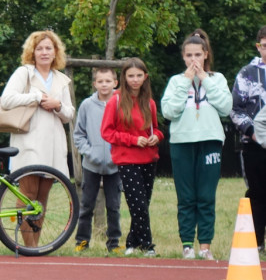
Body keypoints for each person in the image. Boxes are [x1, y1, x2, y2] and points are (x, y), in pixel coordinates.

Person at [161, 29, 232, 260]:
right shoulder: (176, 81)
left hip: (210, 140)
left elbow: (226, 107)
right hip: (182, 142)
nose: (193, 60)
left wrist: (204, 80)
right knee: (186, 196)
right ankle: (187, 245)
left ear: (205, 55)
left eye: (197, 55)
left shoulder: (217, 78)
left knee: (206, 195)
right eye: (189, 55)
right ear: (183, 57)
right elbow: (169, 111)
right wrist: (186, 82)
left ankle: (205, 246)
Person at [0, 30, 75, 247]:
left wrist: (57, 105)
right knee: (28, 195)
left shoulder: (62, 79)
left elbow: (69, 114)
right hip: (29, 143)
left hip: (53, 145)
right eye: (39, 48)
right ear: (32, 52)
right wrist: (36, 96)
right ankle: (27, 246)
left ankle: (37, 246)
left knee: (42, 200)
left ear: (55, 52)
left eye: (48, 48)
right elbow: (7, 99)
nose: (44, 52)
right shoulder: (25, 73)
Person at [101, 58, 163, 256]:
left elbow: (156, 129)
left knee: (142, 205)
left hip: (148, 158)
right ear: (124, 78)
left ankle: (131, 243)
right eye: (131, 76)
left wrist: (156, 137)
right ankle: (147, 246)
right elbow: (106, 132)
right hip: (127, 159)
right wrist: (133, 140)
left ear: (145, 77)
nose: (135, 80)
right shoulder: (115, 101)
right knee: (138, 204)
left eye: (139, 76)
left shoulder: (150, 103)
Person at [72, 67, 122, 253]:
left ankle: (114, 243)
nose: (104, 85)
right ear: (94, 84)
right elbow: (79, 135)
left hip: (115, 165)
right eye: (100, 81)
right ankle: (82, 242)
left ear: (115, 83)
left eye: (108, 81)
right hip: (91, 165)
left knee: (114, 206)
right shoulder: (87, 105)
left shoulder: (121, 103)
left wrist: (117, 154)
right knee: (86, 205)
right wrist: (89, 152)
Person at [231, 27, 266, 256]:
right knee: (258, 192)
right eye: (264, 46)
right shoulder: (247, 73)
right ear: (258, 46)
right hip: (254, 144)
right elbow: (235, 109)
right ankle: (256, 243)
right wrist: (254, 132)